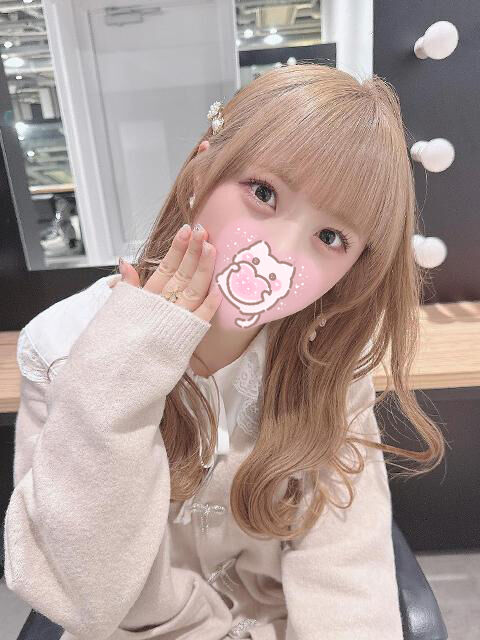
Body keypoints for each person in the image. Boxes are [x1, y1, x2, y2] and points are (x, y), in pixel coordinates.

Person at [5, 63, 446, 640]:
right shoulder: (62, 346)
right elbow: (85, 591)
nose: (279, 252)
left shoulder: (329, 363)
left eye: (330, 237)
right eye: (263, 193)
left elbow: (346, 568)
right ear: (200, 171)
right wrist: (127, 366)